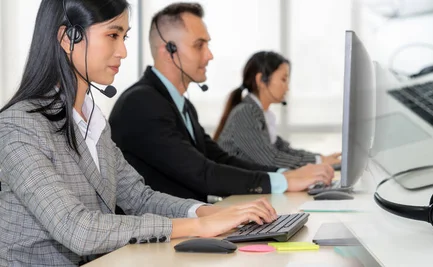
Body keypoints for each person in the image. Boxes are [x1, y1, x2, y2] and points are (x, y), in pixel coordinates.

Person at [0, 1, 278, 266]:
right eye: (112, 35)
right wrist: (198, 226)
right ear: (68, 37)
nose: (123, 51)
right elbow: (77, 229)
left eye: (124, 37)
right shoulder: (19, 125)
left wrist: (209, 212)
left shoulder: (93, 121)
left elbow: (139, 198)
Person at [108, 2, 334, 203]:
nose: (209, 55)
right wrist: (283, 181)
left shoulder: (182, 105)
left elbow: (220, 158)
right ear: (168, 51)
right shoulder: (141, 104)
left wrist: (283, 175)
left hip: (187, 229)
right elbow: (203, 173)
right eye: (199, 45)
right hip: (155, 239)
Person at [213, 51, 342, 169]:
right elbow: (270, 160)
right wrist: (319, 164)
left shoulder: (261, 114)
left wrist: (320, 159)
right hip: (232, 193)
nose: (287, 88)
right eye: (283, 80)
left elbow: (284, 150)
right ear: (261, 80)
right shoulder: (245, 113)